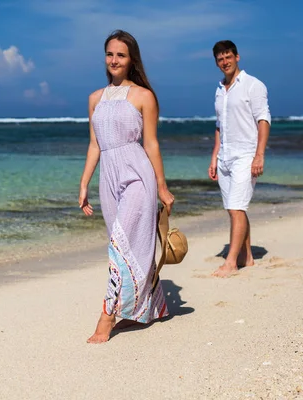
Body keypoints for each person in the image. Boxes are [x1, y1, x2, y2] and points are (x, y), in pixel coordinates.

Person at [79, 30, 175, 343]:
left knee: (119, 246)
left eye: (121, 55)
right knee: (127, 244)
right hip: (108, 177)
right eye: (110, 54)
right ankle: (152, 308)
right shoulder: (95, 98)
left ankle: (107, 316)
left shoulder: (144, 96)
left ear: (131, 58)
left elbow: (151, 143)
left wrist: (162, 187)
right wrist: (84, 185)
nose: (114, 60)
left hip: (137, 175)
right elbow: (95, 145)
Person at [208, 40, 271, 278]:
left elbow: (263, 120)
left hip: (246, 155)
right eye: (220, 59)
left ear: (237, 57)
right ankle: (247, 257)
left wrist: (259, 155)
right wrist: (214, 157)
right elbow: (219, 126)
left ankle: (231, 262)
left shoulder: (253, 85)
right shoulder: (219, 89)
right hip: (225, 157)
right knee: (234, 209)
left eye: (228, 57)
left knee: (237, 207)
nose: (225, 62)